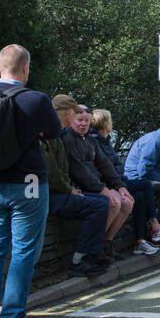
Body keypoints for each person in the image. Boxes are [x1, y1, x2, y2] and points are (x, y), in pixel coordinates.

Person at [0, 44, 61, 318]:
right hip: (29, 182)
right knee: (24, 251)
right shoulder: (35, 99)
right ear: (25, 68)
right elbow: (54, 132)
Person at [89, 108, 160, 252]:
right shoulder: (96, 143)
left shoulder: (106, 141)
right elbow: (106, 168)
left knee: (139, 196)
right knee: (145, 184)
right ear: (103, 123)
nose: (112, 123)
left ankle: (139, 241)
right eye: (110, 120)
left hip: (117, 180)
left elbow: (116, 165)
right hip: (110, 183)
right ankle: (155, 225)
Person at [61, 101, 138, 259]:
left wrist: (120, 186)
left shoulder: (90, 140)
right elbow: (78, 171)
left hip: (94, 185)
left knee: (127, 202)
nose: (83, 124)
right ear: (71, 120)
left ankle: (106, 242)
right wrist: (103, 190)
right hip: (79, 187)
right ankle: (94, 248)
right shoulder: (68, 139)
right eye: (79, 120)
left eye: (87, 121)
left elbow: (105, 165)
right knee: (113, 202)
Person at [45, 95, 111, 277]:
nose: (77, 120)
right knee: (98, 205)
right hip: (49, 195)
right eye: (74, 115)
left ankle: (92, 255)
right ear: (66, 113)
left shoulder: (56, 131)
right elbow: (52, 170)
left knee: (101, 202)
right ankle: (79, 260)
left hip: (56, 191)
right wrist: (69, 189)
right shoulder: (53, 133)